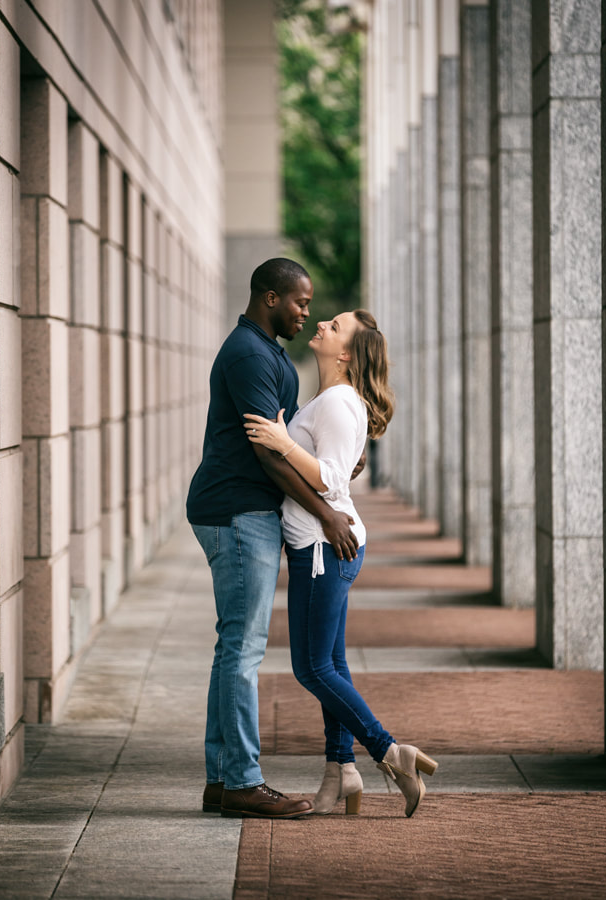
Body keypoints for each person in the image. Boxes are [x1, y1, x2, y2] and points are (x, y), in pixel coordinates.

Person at [244, 309, 438, 818]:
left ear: (347, 353)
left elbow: (330, 479)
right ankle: (341, 770)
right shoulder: (336, 399)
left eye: (335, 326)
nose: (323, 326)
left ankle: (390, 752)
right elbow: (341, 467)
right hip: (329, 547)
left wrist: (283, 442)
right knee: (332, 663)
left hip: (321, 550)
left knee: (311, 668)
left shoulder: (336, 402)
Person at [187, 258, 361, 820]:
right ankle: (241, 781)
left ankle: (222, 780)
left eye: (311, 306)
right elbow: (268, 451)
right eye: (300, 302)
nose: (307, 312)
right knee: (243, 650)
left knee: (232, 648)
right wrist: (326, 512)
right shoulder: (247, 355)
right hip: (237, 511)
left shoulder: (271, 355)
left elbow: (292, 442)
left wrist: (331, 473)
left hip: (247, 511)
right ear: (269, 298)